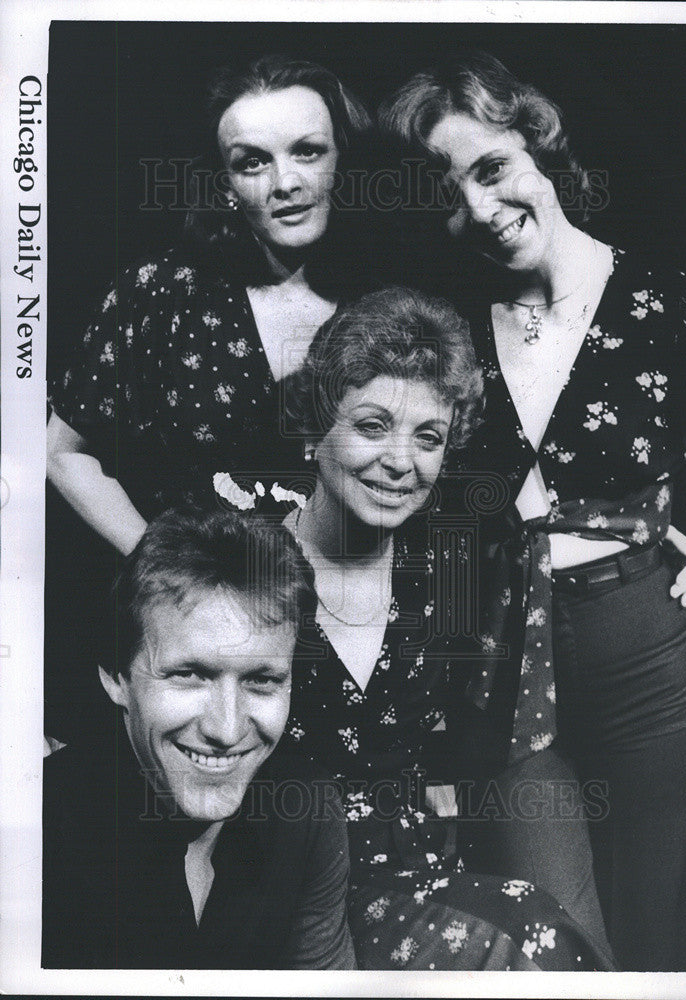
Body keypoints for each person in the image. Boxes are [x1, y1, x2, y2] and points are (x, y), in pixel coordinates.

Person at [378, 53, 686, 971]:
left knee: (663, 923)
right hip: (496, 664)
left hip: (645, 646)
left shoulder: (664, 299)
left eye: (492, 168)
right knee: (548, 937)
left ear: (539, 146)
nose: (479, 208)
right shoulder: (447, 328)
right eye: (449, 192)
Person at [270, 286, 615, 971]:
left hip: (423, 875)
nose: (402, 462)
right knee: (526, 940)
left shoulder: (447, 571)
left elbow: (470, 751)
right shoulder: (251, 566)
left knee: (543, 935)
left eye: (427, 437)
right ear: (314, 430)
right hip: (286, 890)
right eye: (372, 426)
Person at [44, 54, 372, 742]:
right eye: (252, 162)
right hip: (196, 655)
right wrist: (162, 561)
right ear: (224, 183)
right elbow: (63, 452)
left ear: (344, 161)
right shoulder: (158, 295)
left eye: (308, 152)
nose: (285, 182)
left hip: (347, 645)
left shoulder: (385, 305)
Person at [43, 507, 356, 969]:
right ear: (116, 677)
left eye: (262, 680)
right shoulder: (34, 825)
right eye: (189, 675)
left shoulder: (308, 810)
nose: (226, 730)